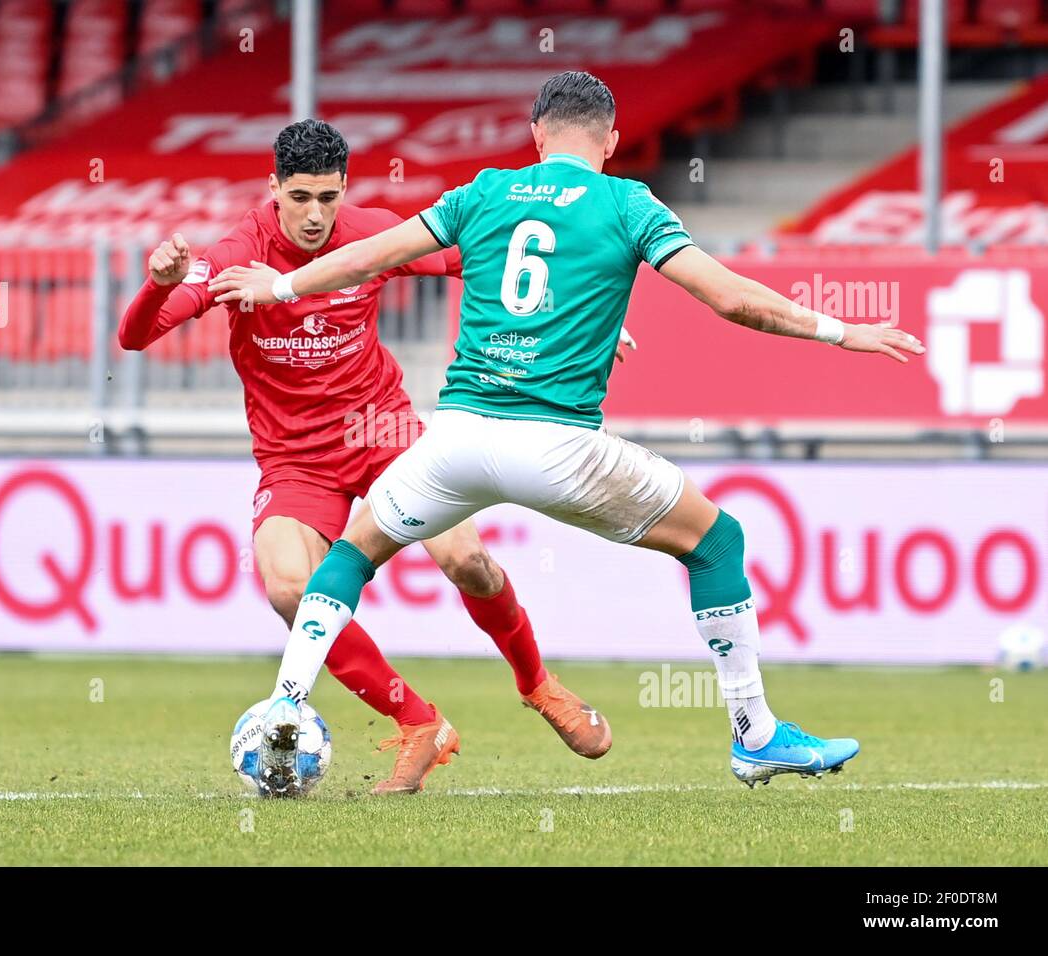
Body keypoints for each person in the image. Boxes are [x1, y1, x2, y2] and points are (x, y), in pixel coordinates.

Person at [208, 72, 925, 793]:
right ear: (611, 142)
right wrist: (842, 331)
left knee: (350, 559)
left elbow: (371, 254)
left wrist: (278, 286)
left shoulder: (484, 190)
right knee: (717, 543)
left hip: (455, 441)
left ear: (536, 134)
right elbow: (734, 300)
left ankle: (288, 699)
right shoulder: (627, 202)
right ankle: (755, 734)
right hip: (557, 448)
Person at [121, 119, 626, 794]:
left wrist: (581, 319)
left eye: (328, 198)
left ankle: (537, 685)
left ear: (344, 190)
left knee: (467, 560)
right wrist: (159, 283)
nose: (314, 215)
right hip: (294, 459)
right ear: (273, 189)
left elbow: (481, 260)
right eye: (299, 197)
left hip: (382, 433)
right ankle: (421, 723)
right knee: (286, 588)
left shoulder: (372, 235)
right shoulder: (239, 253)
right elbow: (136, 336)